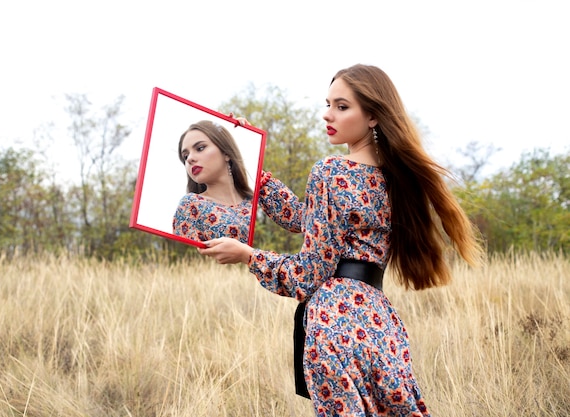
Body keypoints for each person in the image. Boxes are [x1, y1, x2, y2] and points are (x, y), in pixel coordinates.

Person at [198, 64, 484, 416]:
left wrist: (248, 255)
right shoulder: (395, 177)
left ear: (374, 116)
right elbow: (314, 221)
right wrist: (251, 168)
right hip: (379, 322)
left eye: (342, 106)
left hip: (335, 320)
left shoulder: (331, 171)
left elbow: (307, 274)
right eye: (328, 103)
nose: (327, 114)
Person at [172, 120, 254, 243]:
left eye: (200, 148)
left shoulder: (255, 201)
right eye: (185, 156)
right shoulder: (191, 205)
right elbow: (191, 258)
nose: (190, 159)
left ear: (226, 152)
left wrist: (254, 135)